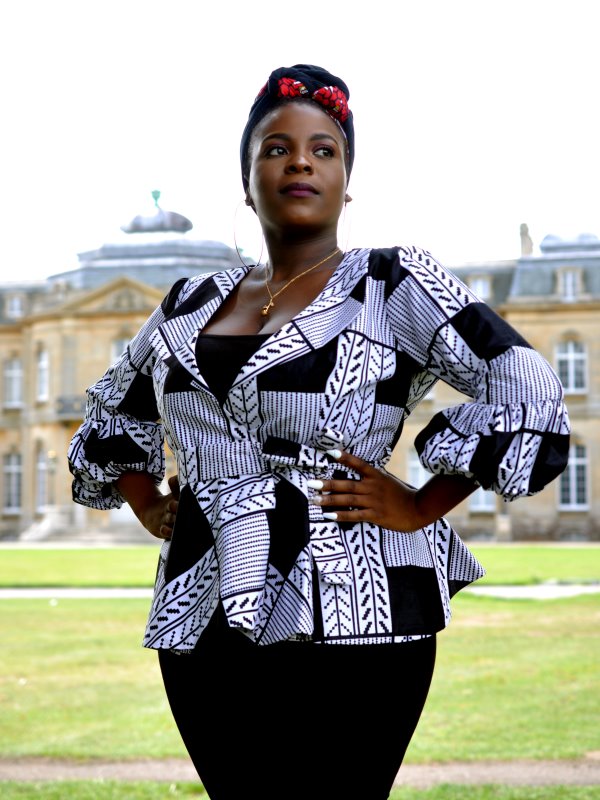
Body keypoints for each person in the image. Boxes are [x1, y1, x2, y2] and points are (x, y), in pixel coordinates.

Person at [67, 64, 570, 800]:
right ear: (248, 183)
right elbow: (113, 408)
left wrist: (421, 505)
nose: (300, 161)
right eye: (276, 148)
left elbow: (525, 382)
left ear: (345, 182)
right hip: (202, 606)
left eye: (323, 150)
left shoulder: (392, 282)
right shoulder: (187, 300)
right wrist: (147, 502)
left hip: (355, 601)